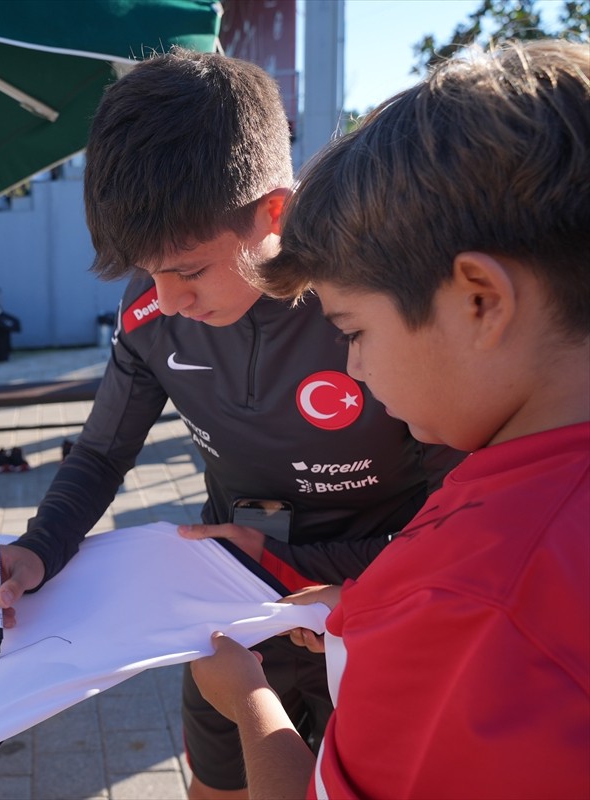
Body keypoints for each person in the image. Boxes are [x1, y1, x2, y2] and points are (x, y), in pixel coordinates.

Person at [0, 48, 462, 799]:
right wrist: (35, 551)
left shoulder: (369, 307)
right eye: (145, 270)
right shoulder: (151, 315)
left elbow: (457, 525)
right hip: (227, 613)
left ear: (275, 212)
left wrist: (294, 566)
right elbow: (101, 454)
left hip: (372, 606)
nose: (164, 300)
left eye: (187, 270)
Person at [190, 39, 589, 799]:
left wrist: (247, 701)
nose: (353, 370)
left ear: (480, 300)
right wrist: (352, 602)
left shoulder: (473, 605)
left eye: (354, 331)